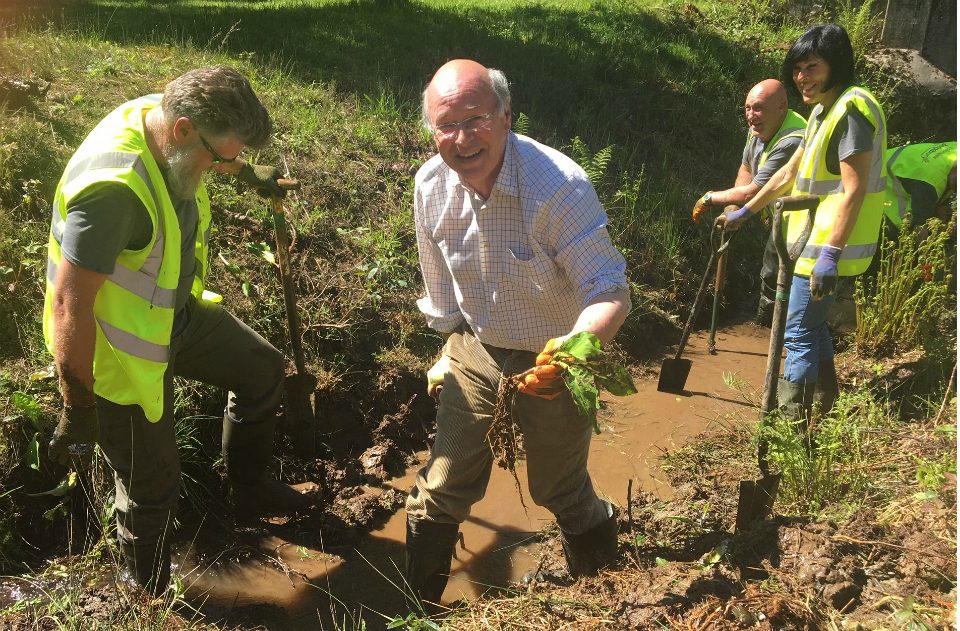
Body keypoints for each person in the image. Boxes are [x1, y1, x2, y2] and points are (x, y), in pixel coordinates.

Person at [43, 66, 313, 596]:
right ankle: (145, 591)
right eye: (222, 157)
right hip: (120, 352)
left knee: (262, 369)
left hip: (173, 315)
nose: (224, 167)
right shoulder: (112, 194)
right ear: (184, 130)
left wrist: (253, 179)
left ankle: (249, 490)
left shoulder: (169, 121)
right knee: (151, 483)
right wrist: (77, 408)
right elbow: (69, 305)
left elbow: (222, 152)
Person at [410, 59, 631, 609]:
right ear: (431, 131)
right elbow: (440, 291)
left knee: (559, 488)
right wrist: (446, 346)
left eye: (475, 119)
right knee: (440, 490)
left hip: (552, 356)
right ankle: (415, 612)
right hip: (478, 348)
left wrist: (575, 351)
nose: (461, 139)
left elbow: (610, 290)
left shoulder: (557, 187)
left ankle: (602, 594)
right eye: (445, 125)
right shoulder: (430, 186)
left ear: (506, 116)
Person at [717, 24, 887, 426]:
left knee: (797, 333)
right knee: (813, 326)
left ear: (837, 65)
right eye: (797, 68)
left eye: (812, 66)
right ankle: (826, 407)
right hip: (806, 244)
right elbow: (791, 171)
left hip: (823, 246)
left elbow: (854, 188)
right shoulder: (822, 111)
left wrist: (831, 252)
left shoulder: (851, 110)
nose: (802, 77)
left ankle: (793, 425)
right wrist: (749, 210)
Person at [692, 79, 807, 325]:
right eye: (747, 108)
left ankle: (770, 329)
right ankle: (769, 325)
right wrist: (732, 208)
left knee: (776, 275)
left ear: (782, 106)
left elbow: (753, 191)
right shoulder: (760, 126)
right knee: (770, 272)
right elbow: (746, 169)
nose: (751, 115)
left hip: (798, 220)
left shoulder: (792, 140)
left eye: (758, 108)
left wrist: (710, 198)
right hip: (776, 213)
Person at [884, 141, 957, 236]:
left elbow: (942, 201)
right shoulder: (930, 183)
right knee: (901, 230)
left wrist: (944, 229)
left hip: (891, 161)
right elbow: (919, 228)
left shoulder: (955, 148)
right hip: (874, 175)